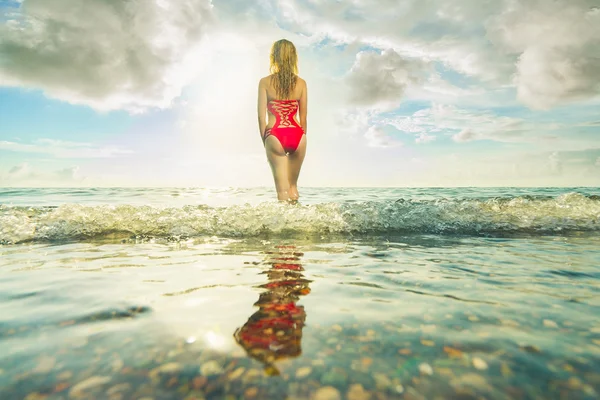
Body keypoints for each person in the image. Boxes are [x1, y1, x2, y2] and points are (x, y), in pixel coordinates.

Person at [257, 39, 308, 202]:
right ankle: (299, 223)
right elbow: (304, 117)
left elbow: (260, 116)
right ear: (293, 58)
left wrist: (265, 140)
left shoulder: (265, 82)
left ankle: (285, 227)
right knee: (293, 187)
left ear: (274, 57)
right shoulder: (301, 83)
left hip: (275, 133)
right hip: (298, 135)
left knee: (282, 192)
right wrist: (302, 136)